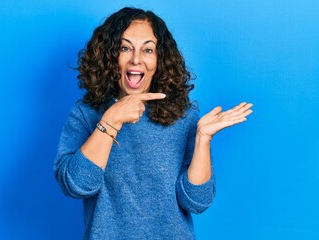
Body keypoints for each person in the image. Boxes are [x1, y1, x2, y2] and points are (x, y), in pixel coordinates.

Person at [54, 7, 253, 239]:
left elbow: (197, 202)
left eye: (148, 50)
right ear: (110, 56)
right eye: (125, 48)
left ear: (159, 60)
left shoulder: (184, 118)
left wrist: (202, 139)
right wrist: (111, 119)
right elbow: (76, 185)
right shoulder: (85, 114)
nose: (136, 59)